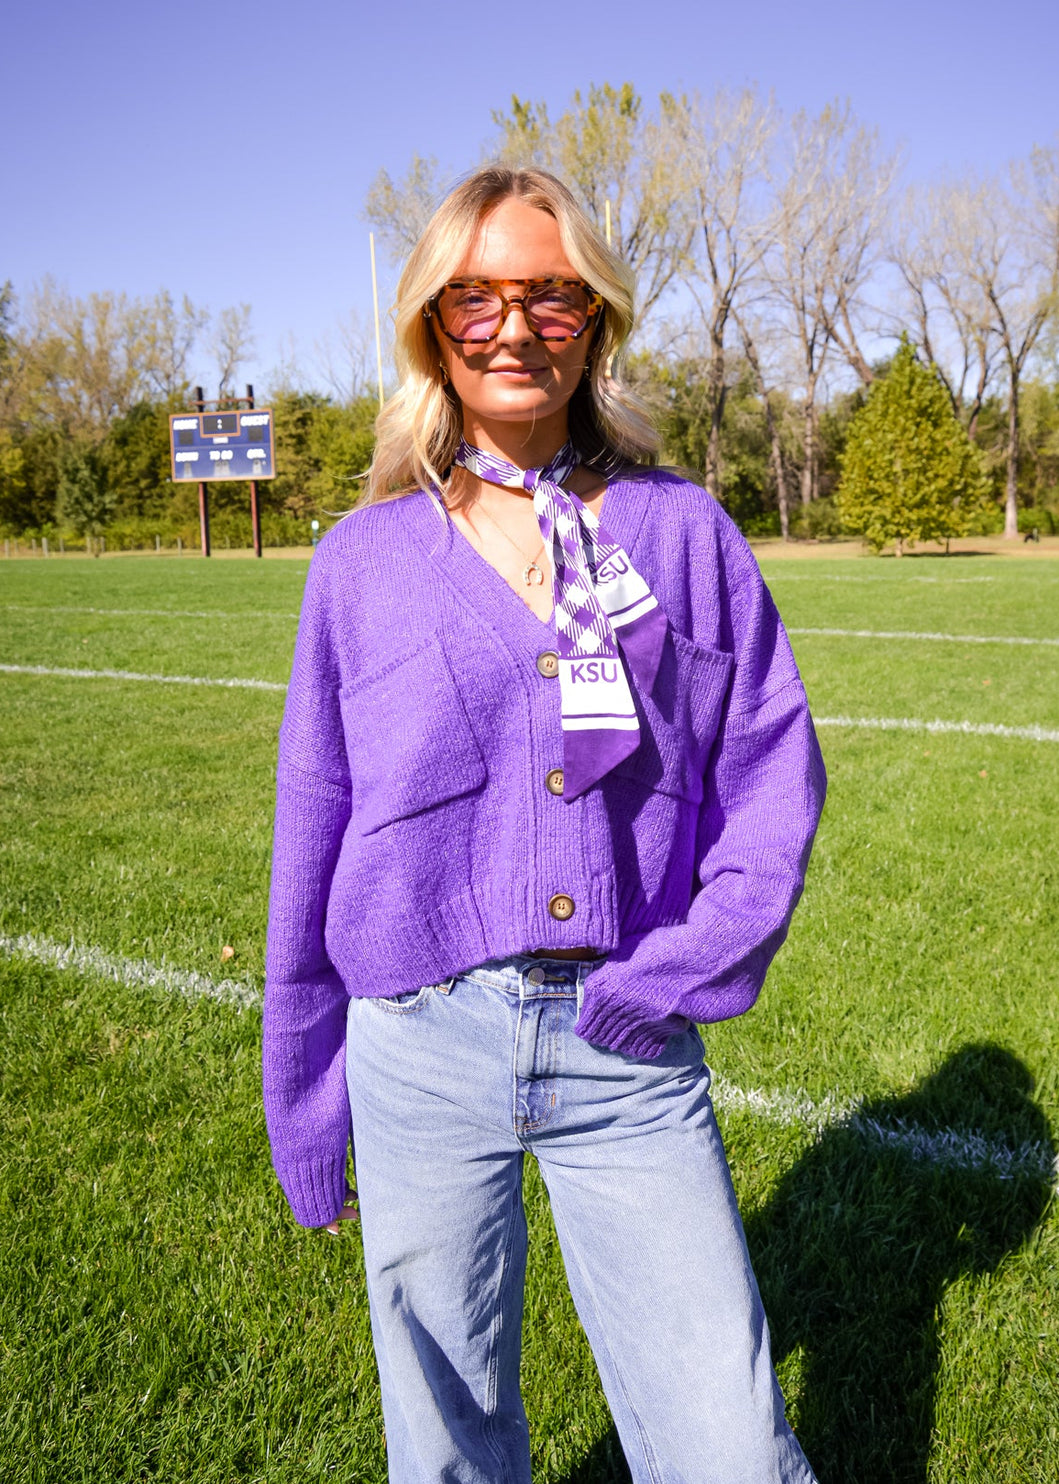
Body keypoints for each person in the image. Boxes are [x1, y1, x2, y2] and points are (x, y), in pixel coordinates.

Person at [263, 165, 826, 1484]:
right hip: (418, 1043)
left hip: (626, 1042)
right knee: (446, 1449)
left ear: (598, 321)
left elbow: (770, 776)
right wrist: (304, 1088)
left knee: (730, 1450)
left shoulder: (682, 534)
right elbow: (313, 827)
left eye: (550, 296)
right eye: (474, 298)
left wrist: (683, 969)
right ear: (430, 325)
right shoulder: (361, 559)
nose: (512, 331)